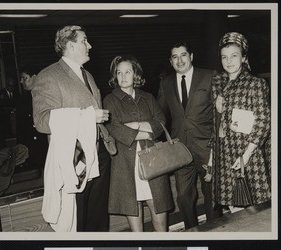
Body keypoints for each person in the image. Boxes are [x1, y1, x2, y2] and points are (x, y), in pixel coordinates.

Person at [32, 25, 111, 231]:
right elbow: (41, 121)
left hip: (99, 154)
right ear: (70, 45)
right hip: (74, 159)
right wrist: (85, 116)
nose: (90, 45)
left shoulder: (88, 76)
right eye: (85, 41)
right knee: (78, 220)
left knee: (98, 219)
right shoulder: (48, 76)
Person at [103, 55, 174, 232]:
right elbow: (115, 129)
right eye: (119, 73)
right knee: (135, 220)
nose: (123, 76)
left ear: (135, 74)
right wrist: (146, 131)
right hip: (126, 164)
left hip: (153, 161)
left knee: (158, 210)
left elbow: (160, 123)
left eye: (128, 72)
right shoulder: (109, 100)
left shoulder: (148, 97)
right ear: (115, 76)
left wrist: (134, 126)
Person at [157, 41, 219, 230]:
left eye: (183, 55)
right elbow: (160, 116)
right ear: (170, 61)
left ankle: (214, 230)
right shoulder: (166, 83)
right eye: (175, 57)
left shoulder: (209, 76)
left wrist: (216, 144)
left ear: (191, 56)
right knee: (183, 196)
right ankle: (193, 230)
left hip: (206, 148)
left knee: (212, 194)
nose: (179, 60)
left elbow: (219, 114)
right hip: (180, 150)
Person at [211, 32, 271, 208]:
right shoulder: (218, 85)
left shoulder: (255, 84)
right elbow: (215, 126)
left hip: (248, 153)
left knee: (253, 210)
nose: (229, 61)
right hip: (224, 153)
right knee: (233, 207)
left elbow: (263, 121)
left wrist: (246, 155)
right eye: (224, 57)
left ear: (244, 58)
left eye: (234, 56)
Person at [16, 65, 48, 171]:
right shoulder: (22, 99)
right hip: (30, 147)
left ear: (34, 77)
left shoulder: (46, 96)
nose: (21, 82)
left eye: (25, 78)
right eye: (21, 79)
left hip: (45, 143)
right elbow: (20, 126)